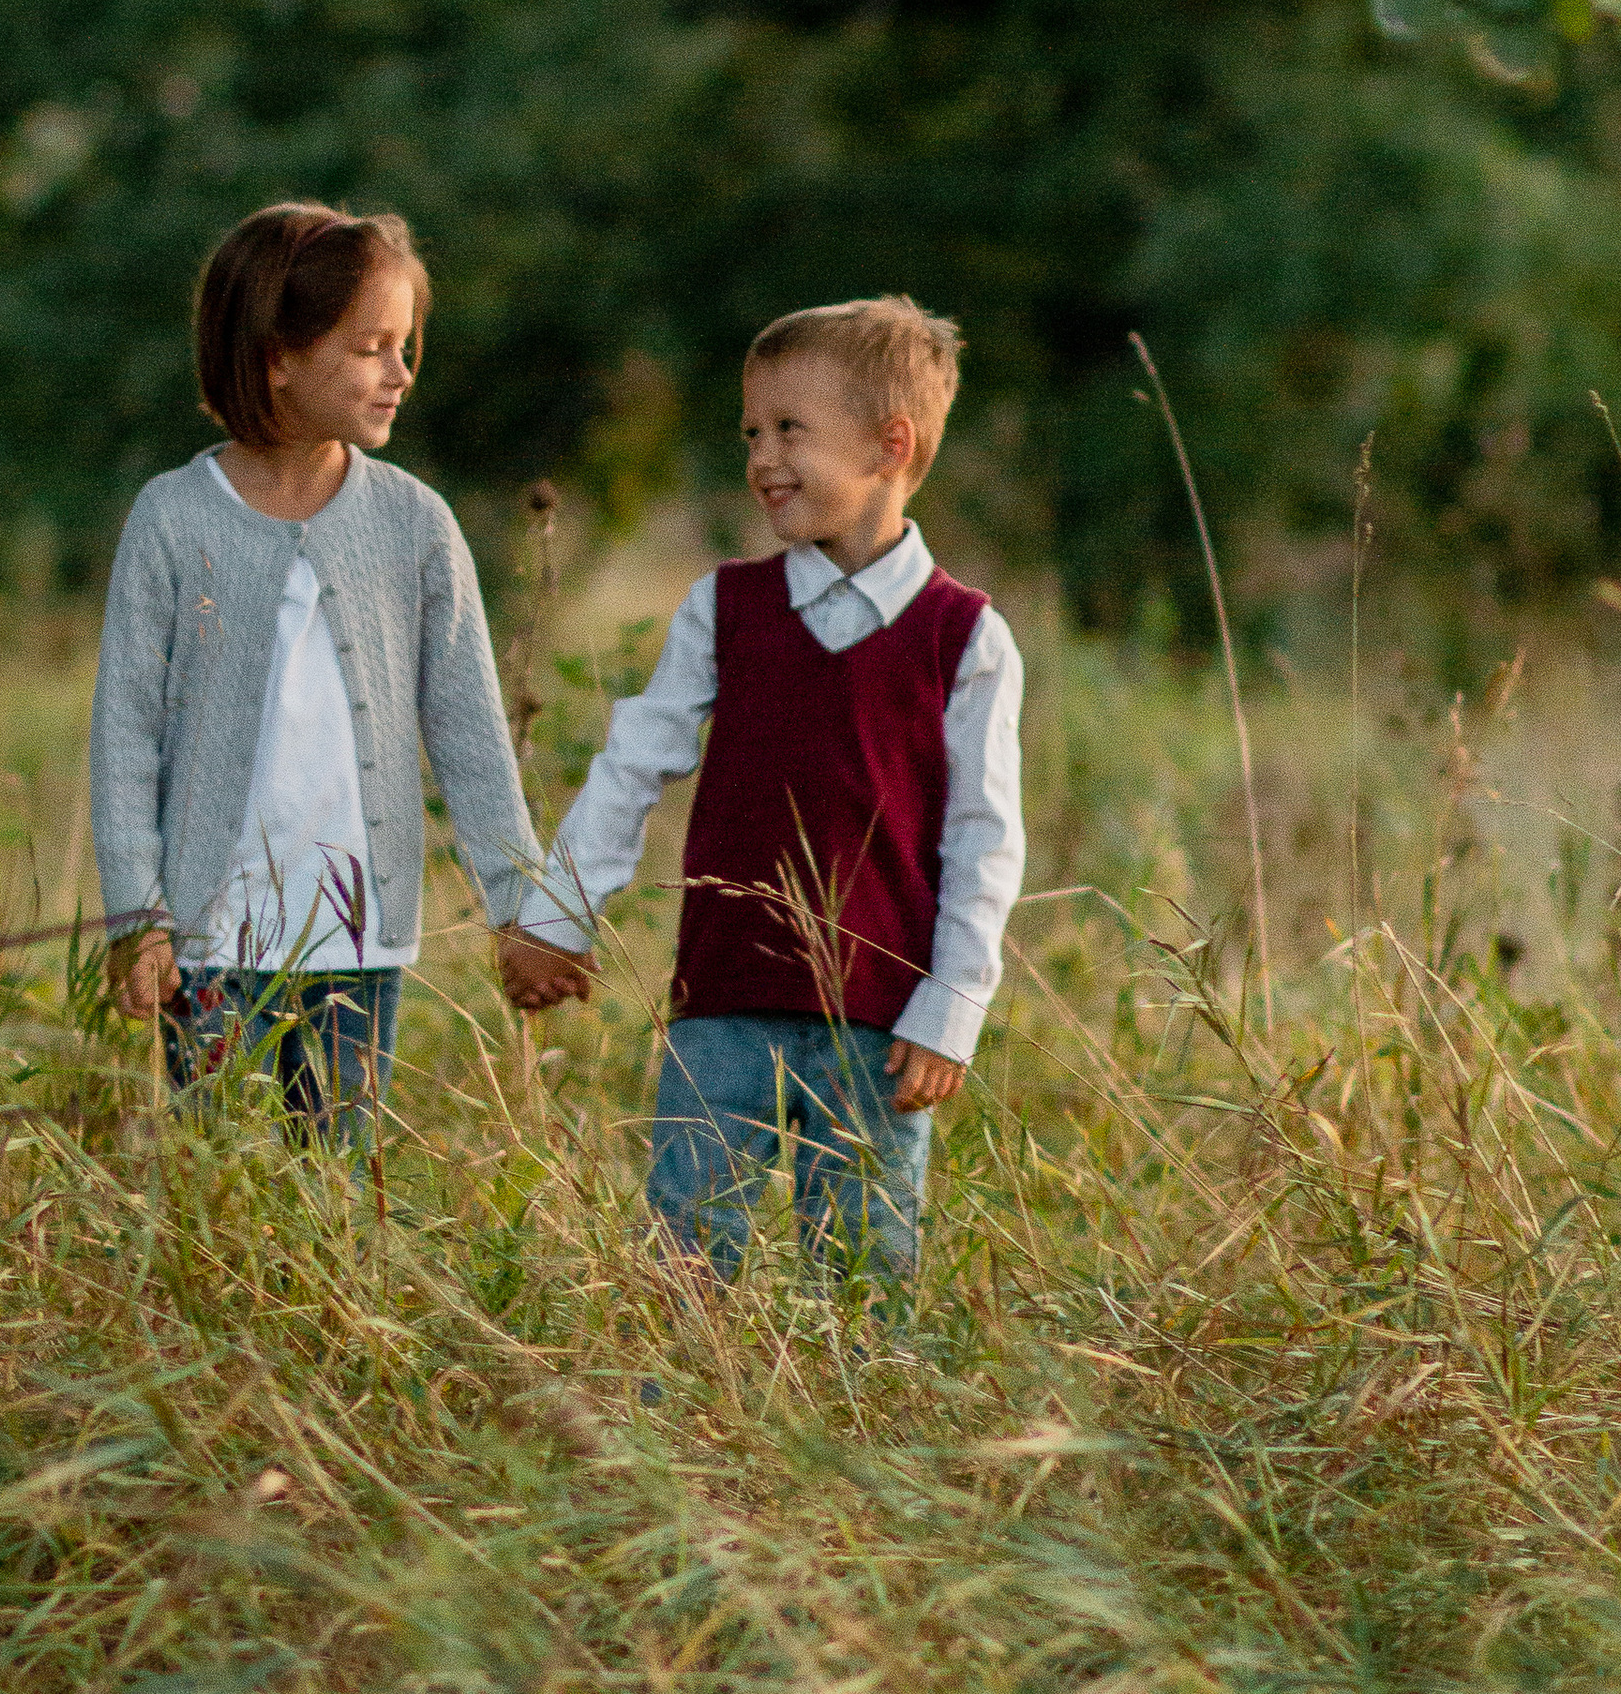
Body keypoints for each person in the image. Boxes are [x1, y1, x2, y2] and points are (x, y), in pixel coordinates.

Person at [501, 297, 1024, 1289]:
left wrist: (950, 1009)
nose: (761, 456)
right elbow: (632, 765)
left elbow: (983, 840)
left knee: (865, 1287)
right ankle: (680, 1431)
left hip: (876, 1028)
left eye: (790, 429)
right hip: (721, 1008)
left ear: (888, 444)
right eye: (751, 432)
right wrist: (557, 917)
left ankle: (862, 1441)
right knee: (685, 1272)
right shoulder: (726, 608)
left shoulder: (964, 637)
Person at [90, 201, 540, 1152]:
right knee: (213, 1188)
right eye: (371, 346)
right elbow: (126, 733)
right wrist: (140, 917)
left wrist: (520, 906)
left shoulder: (416, 525)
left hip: (358, 944)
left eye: (405, 344)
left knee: (332, 1194)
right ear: (276, 354)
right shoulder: (173, 519)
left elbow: (470, 729)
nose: (401, 373)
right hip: (208, 947)